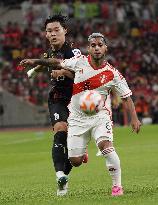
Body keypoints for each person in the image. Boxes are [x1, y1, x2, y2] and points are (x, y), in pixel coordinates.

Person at [21, 32, 141, 196]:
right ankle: (82, 153)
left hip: (100, 117)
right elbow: (57, 62)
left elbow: (126, 97)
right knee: (74, 161)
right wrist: (36, 61)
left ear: (105, 48)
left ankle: (117, 186)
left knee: (106, 146)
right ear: (88, 48)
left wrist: (134, 119)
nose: (97, 48)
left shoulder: (113, 74)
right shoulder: (79, 62)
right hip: (77, 119)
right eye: (93, 45)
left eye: (100, 45)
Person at [20, 14, 87, 196]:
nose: (53, 34)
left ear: (65, 31)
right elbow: (46, 62)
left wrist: (65, 71)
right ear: (46, 34)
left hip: (76, 101)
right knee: (60, 130)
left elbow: (83, 77)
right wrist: (34, 71)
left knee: (76, 158)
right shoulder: (49, 52)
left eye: (56, 30)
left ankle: (65, 174)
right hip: (57, 98)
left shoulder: (74, 53)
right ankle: (60, 177)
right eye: (49, 31)